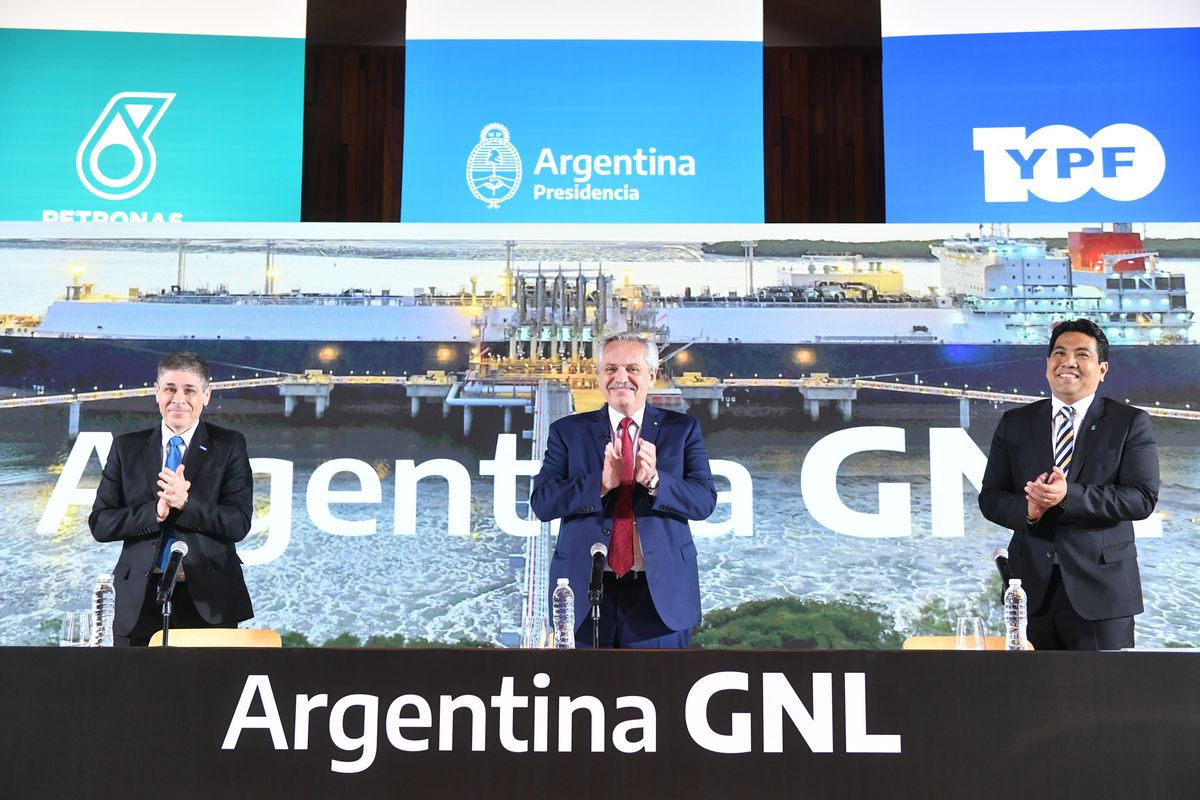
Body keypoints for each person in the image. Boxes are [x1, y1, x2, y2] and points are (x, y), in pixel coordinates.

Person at [979, 319, 1159, 650]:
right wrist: (1029, 510)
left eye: (1081, 354)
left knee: (1101, 697)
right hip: (1031, 592)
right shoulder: (1015, 423)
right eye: (1059, 353)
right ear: (1048, 365)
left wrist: (1068, 497)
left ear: (1102, 369)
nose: (1068, 362)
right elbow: (990, 498)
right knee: (1031, 696)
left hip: (1102, 593)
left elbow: (1141, 498)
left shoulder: (1129, 423)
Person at [531, 332, 716, 648]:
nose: (621, 378)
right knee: (586, 696)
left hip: (659, 597)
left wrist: (657, 482)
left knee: (659, 694)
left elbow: (703, 502)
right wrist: (601, 484)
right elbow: (543, 503)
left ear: (652, 376)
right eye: (611, 369)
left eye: (632, 369)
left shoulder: (682, 430)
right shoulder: (567, 432)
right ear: (599, 375)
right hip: (585, 591)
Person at [89, 352, 254, 646]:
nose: (178, 399)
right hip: (138, 602)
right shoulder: (126, 447)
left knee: (206, 691)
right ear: (156, 392)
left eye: (189, 390)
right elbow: (100, 523)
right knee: (135, 690)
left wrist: (186, 504)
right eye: (170, 389)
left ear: (206, 395)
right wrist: (155, 512)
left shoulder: (229, 445)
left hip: (209, 601)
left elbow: (237, 523)